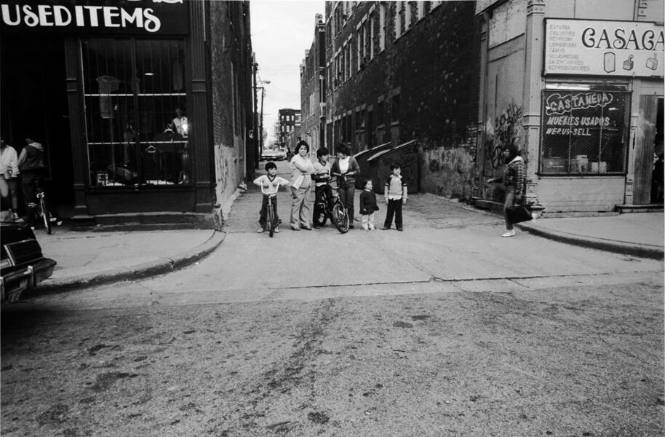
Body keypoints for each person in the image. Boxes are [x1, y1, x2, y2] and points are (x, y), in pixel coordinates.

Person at [487, 140, 526, 237]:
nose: (504, 153)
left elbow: (520, 179)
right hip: (508, 188)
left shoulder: (518, 163)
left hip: (513, 189)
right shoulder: (511, 162)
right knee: (509, 208)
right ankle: (511, 228)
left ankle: (510, 230)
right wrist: (494, 180)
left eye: (506, 151)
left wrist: (518, 193)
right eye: (504, 151)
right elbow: (507, 176)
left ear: (512, 152)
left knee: (507, 208)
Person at [253, 161, 289, 233]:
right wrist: (262, 185)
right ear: (267, 170)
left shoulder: (277, 178)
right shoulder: (264, 177)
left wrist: (279, 183)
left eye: (274, 169)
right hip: (266, 196)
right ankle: (262, 226)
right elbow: (255, 181)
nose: (273, 171)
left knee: (274, 211)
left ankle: (275, 226)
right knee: (264, 211)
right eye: (271, 169)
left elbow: (286, 181)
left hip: (273, 196)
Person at [331, 144, 361, 228]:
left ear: (344, 153)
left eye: (339, 153)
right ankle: (342, 220)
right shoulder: (337, 161)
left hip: (350, 184)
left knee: (350, 203)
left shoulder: (352, 160)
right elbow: (332, 171)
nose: (337, 154)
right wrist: (338, 174)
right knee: (342, 203)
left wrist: (351, 173)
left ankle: (350, 221)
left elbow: (358, 171)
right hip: (340, 184)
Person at [18, 138, 46, 224]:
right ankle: (50, 214)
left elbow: (20, 161)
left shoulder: (27, 149)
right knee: (42, 193)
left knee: (29, 197)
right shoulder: (41, 147)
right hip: (40, 172)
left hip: (28, 174)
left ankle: (32, 221)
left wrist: (17, 167)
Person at [289, 140, 315, 230]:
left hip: (307, 184)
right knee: (297, 204)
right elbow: (304, 168)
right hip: (298, 185)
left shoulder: (307, 159)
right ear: (298, 150)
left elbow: (312, 170)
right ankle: (294, 223)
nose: (303, 150)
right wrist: (307, 170)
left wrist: (307, 170)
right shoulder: (295, 158)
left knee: (306, 204)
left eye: (305, 149)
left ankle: (304, 222)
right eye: (301, 149)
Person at [383, 163, 407, 231]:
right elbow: (386, 188)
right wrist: (386, 197)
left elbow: (405, 188)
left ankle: (399, 226)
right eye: (396, 169)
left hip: (399, 198)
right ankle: (387, 225)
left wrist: (404, 198)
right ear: (392, 171)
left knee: (398, 213)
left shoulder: (402, 179)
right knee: (389, 212)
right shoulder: (390, 178)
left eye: (399, 169)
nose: (398, 171)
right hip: (391, 197)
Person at [312, 147, 332, 227]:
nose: (326, 157)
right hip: (319, 186)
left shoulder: (328, 165)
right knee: (318, 203)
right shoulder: (315, 165)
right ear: (319, 157)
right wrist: (321, 177)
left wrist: (329, 177)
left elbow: (330, 174)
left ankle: (332, 217)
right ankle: (316, 222)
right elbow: (313, 177)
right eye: (324, 155)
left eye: (327, 155)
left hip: (327, 184)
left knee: (331, 200)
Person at [0, 139, 20, 220]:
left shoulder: (11, 150)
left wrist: (13, 173)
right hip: (0, 174)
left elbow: (15, 162)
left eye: (0, 139)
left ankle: (15, 212)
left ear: (3, 140)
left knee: (13, 193)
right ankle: (8, 211)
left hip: (11, 173)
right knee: (5, 194)